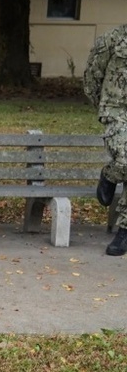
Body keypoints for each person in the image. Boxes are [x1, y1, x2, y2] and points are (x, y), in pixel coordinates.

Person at [83, 23, 127, 256]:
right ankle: (109, 174)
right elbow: (92, 75)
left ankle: (124, 231)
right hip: (116, 112)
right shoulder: (113, 39)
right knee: (126, 160)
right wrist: (104, 108)